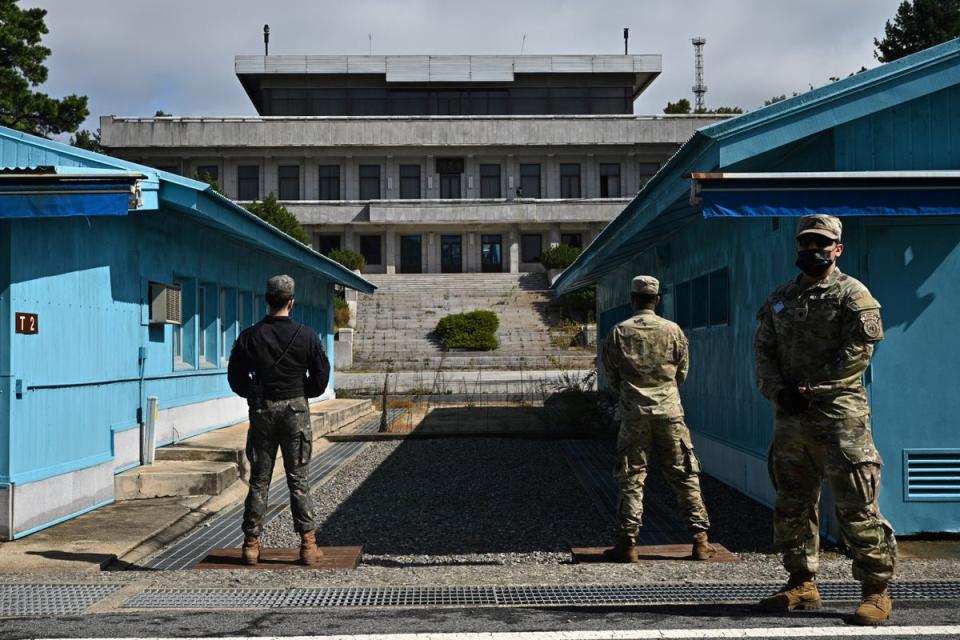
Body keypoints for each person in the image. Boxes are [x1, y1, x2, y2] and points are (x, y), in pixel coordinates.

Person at [754, 214, 896, 625]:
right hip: (792, 420)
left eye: (821, 243)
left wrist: (812, 390)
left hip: (840, 418)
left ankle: (876, 591)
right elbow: (764, 350)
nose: (811, 250)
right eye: (805, 243)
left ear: (838, 249)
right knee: (793, 504)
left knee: (856, 506)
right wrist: (777, 390)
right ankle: (801, 584)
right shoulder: (781, 298)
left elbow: (857, 355)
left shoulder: (855, 296)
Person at [600, 275, 715, 563]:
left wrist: (630, 394)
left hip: (633, 413)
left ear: (632, 299)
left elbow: (612, 376)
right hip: (670, 411)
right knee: (684, 475)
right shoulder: (673, 330)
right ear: (658, 299)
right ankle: (700, 541)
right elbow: (682, 372)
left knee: (632, 477)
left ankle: (627, 543)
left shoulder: (618, 332)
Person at [227, 274, 331, 566]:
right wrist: (300, 392)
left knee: (259, 479)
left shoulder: (249, 336)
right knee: (299, 480)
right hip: (296, 411)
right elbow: (321, 378)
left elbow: (235, 377)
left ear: (266, 300)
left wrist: (254, 393)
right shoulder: (307, 335)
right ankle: (308, 545)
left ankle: (251, 544)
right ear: (292, 302)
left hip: (262, 411)